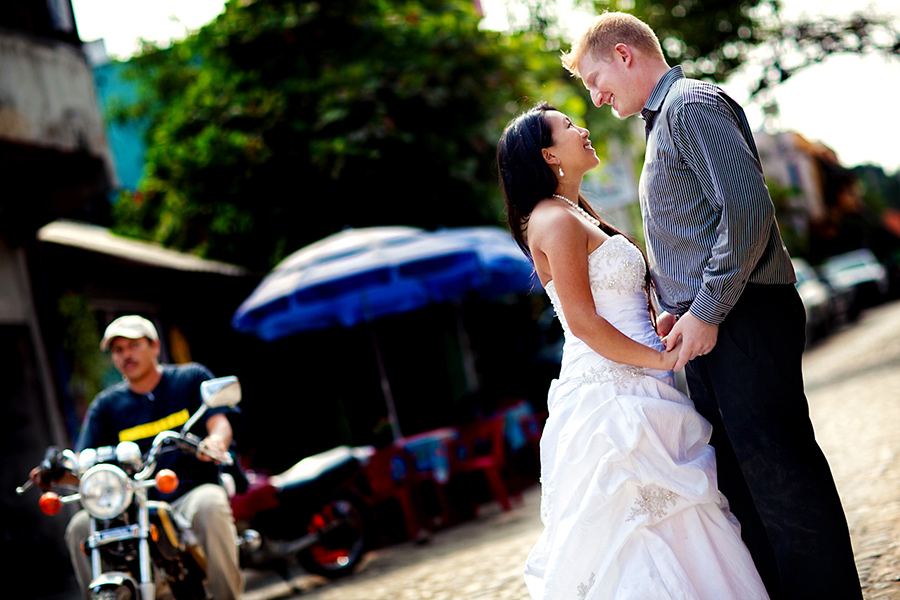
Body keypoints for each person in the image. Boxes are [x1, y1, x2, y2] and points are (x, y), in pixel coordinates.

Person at [561, 12, 861, 599]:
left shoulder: (692, 103)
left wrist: (707, 309)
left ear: (624, 55)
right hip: (718, 321)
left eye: (596, 79)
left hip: (745, 315)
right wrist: (681, 306)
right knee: (746, 485)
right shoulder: (664, 120)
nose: (595, 98)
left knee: (782, 478)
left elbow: (747, 211)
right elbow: (697, 234)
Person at [498, 102, 769, 599]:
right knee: (640, 525)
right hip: (613, 397)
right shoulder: (554, 220)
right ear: (547, 155)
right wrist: (661, 359)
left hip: (643, 381)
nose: (583, 130)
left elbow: (615, 301)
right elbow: (581, 322)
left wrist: (657, 325)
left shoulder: (576, 213)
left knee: (678, 518)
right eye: (568, 127)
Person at [32, 315, 244, 600]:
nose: (126, 355)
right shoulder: (106, 406)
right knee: (79, 527)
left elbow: (218, 421)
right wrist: (54, 475)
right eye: (118, 350)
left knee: (211, 505)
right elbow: (86, 467)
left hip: (189, 494)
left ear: (155, 346)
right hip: (131, 504)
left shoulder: (190, 378)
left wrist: (215, 441)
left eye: (133, 345)